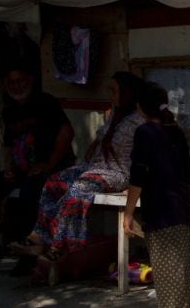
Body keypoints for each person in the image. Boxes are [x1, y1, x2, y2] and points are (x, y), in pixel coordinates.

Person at [13, 71, 144, 262]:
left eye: (115, 91)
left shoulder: (137, 121)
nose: (111, 94)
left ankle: (57, 246)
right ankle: (39, 235)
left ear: (127, 93)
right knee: (53, 182)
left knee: (78, 190)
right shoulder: (115, 114)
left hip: (116, 173)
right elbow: (100, 137)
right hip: (93, 168)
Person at [0, 63, 74, 272]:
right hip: (24, 168)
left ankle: (29, 254)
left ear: (30, 80)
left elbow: (67, 132)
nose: (17, 86)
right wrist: (9, 167)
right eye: (11, 83)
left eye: (21, 81)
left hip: (52, 167)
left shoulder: (45, 102)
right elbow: (9, 144)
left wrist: (49, 163)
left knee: (30, 192)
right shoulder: (9, 110)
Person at [123, 82, 190, 308]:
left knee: (168, 270)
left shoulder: (146, 132)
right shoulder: (174, 131)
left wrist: (128, 213)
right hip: (183, 207)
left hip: (162, 208)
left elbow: (137, 176)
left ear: (141, 108)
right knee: (182, 267)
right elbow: (188, 174)